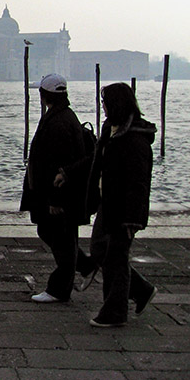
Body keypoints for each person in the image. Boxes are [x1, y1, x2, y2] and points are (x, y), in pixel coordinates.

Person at [81, 82, 157, 327]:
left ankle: (115, 312)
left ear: (116, 104)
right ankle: (141, 290)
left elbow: (139, 183)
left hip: (124, 209)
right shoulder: (109, 129)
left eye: (105, 102)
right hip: (107, 202)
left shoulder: (135, 138)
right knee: (101, 250)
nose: (102, 107)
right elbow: (97, 163)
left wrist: (132, 220)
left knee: (116, 256)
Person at [20, 73, 96, 303]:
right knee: (54, 234)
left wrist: (56, 200)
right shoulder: (60, 116)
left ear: (44, 95)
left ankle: (59, 289)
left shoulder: (60, 122)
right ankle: (86, 265)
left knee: (61, 238)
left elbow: (60, 166)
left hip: (57, 194)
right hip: (50, 192)